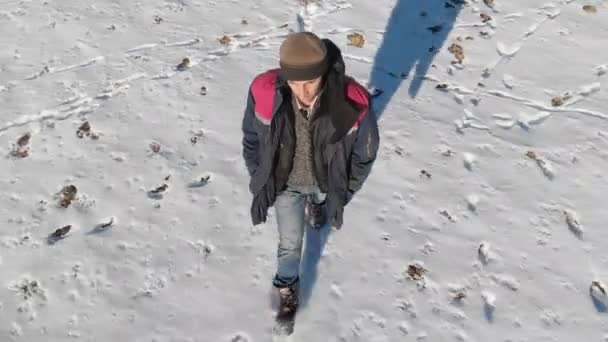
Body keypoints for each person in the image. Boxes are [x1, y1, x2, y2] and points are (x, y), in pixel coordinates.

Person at [240, 32, 380, 320]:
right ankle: (287, 285)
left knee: (320, 199)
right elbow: (252, 139)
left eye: (311, 83)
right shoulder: (264, 93)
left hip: (324, 182)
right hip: (285, 186)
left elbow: (363, 155)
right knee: (289, 244)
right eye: (294, 83)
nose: (302, 93)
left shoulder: (352, 103)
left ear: (324, 73)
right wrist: (261, 175)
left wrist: (344, 191)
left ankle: (317, 208)